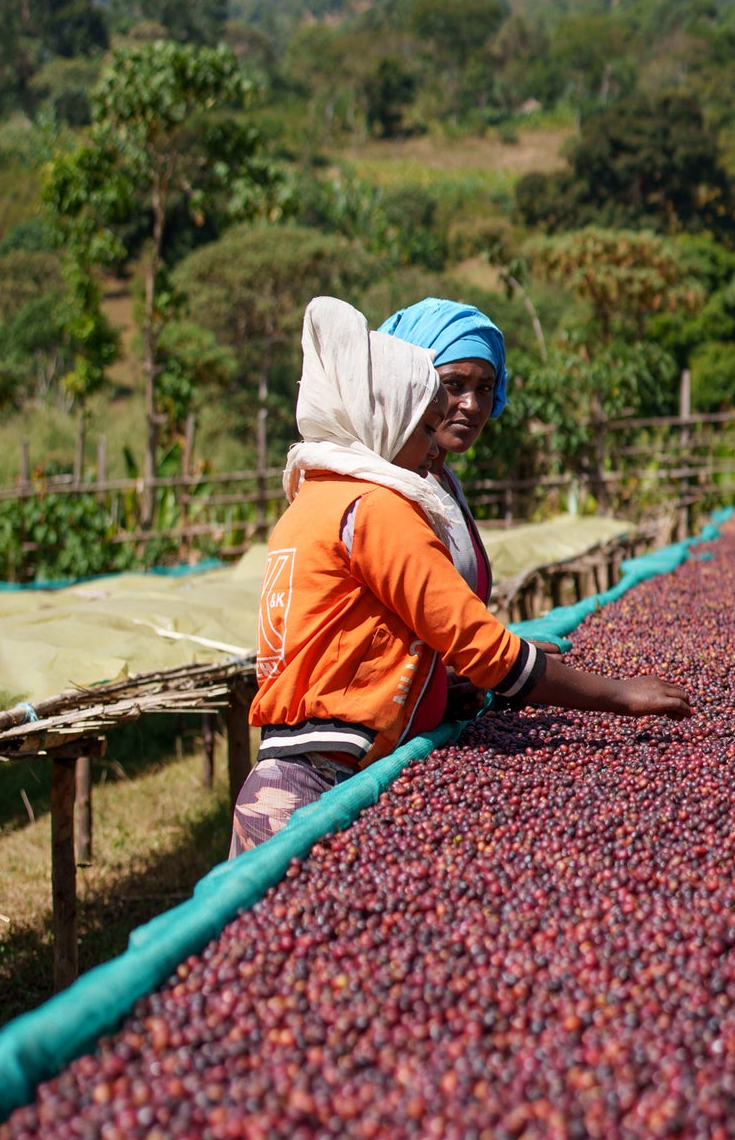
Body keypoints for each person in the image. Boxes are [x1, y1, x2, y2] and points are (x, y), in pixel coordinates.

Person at [231, 298, 692, 856]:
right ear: (384, 421)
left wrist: (440, 686)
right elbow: (479, 646)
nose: (432, 448)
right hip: (322, 783)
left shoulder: (313, 495)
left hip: (288, 775)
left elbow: (349, 652)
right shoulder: (376, 506)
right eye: (422, 427)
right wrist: (621, 695)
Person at [377, 297, 505, 602]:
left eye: (485, 389)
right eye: (453, 385)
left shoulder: (444, 481)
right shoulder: (393, 489)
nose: (472, 405)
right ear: (412, 385)